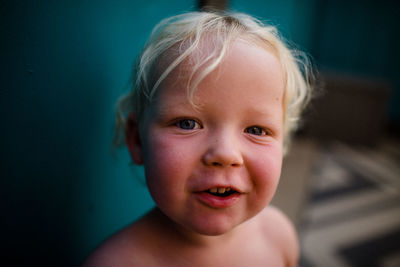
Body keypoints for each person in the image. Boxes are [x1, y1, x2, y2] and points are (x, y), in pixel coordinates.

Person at [84, 11, 313, 267]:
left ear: (282, 143)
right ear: (136, 139)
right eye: (187, 124)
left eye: (256, 130)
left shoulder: (278, 236)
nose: (226, 154)